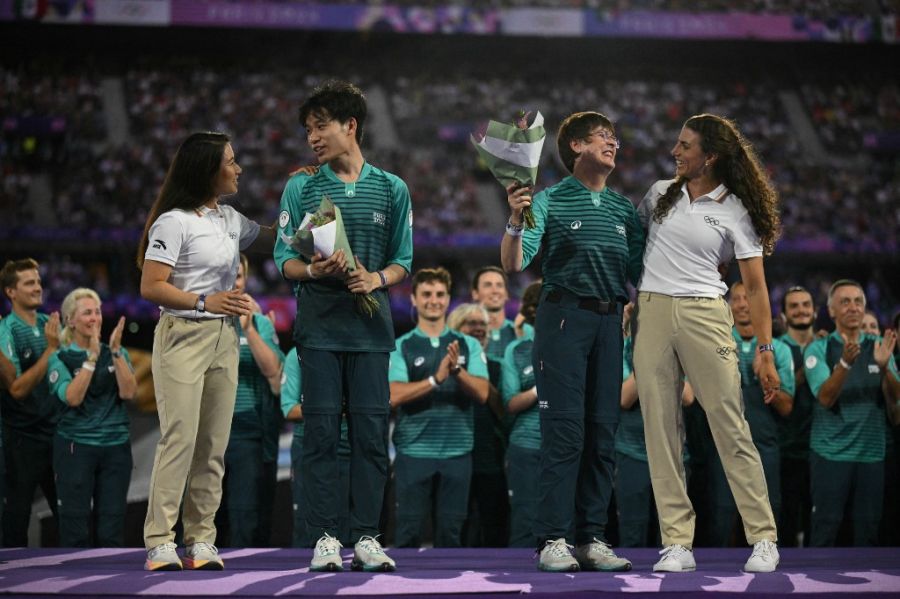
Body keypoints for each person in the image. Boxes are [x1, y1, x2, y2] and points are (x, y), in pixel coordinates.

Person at [632, 114, 782, 573]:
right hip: (652, 312)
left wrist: (765, 350)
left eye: (685, 146)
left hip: (705, 313)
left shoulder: (737, 209)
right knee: (661, 431)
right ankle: (677, 542)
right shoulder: (659, 194)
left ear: (710, 156)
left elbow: (755, 289)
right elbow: (631, 247)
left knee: (730, 426)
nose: (675, 152)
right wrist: (628, 297)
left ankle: (763, 538)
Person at [273, 80, 413, 572]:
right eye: (308, 129)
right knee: (322, 436)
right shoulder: (301, 186)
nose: (312, 137)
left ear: (350, 126)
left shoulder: (392, 188)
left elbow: (404, 261)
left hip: (372, 335)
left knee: (373, 437)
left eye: (320, 126)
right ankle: (327, 537)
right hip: (319, 331)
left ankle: (368, 537)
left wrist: (377, 277)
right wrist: (313, 270)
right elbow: (283, 259)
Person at [501, 111, 643, 572]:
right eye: (604, 137)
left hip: (609, 325)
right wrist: (514, 218)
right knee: (565, 433)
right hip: (563, 320)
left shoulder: (625, 210)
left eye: (615, 138)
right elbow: (514, 261)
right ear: (577, 146)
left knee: (603, 434)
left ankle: (591, 537)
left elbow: (644, 274)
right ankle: (553, 539)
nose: (613, 144)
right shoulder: (549, 200)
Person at [138, 131, 273, 570]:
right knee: (180, 438)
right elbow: (151, 285)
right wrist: (203, 301)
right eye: (231, 161)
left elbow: (275, 238)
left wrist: (304, 193)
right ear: (207, 169)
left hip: (224, 338)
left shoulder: (229, 219)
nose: (239, 169)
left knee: (213, 445)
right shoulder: (173, 222)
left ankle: (201, 540)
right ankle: (160, 539)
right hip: (182, 334)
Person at [389, 267, 490, 547]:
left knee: (452, 537)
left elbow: (482, 393)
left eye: (440, 294)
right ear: (413, 299)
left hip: (458, 453)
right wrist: (435, 379)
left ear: (448, 300)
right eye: (427, 294)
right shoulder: (401, 346)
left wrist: (458, 372)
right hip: (413, 453)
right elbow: (393, 395)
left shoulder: (469, 345)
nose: (434, 300)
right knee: (407, 535)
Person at [803, 279, 900, 546]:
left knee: (867, 533)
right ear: (831, 311)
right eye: (844, 302)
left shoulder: (881, 346)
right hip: (830, 453)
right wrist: (845, 362)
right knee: (825, 529)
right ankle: (813, 587)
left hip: (871, 455)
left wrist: (885, 369)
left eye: (858, 301)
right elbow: (825, 397)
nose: (853, 307)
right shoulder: (819, 348)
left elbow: (895, 397)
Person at [707, 282, 794, 547]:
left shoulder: (777, 349)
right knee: (721, 515)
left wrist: (764, 379)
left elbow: (787, 406)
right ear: (728, 305)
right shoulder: (714, 343)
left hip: (765, 445)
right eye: (737, 298)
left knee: (770, 512)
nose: (744, 304)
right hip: (724, 445)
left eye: (748, 298)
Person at [47, 288, 136, 547]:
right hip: (76, 448)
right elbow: (72, 397)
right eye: (87, 313)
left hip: (116, 448)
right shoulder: (59, 357)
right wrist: (92, 358)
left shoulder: (116, 352)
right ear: (70, 320)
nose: (95, 318)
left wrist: (116, 353)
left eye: (97, 312)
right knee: (75, 529)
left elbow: (128, 392)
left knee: (112, 527)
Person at [615, 308, 694, 548]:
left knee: (672, 535)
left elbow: (688, 396)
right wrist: (649, 357)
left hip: (672, 453)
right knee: (632, 531)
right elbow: (623, 398)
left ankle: (673, 583)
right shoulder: (622, 349)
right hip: (631, 453)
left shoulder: (679, 347)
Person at [221, 255, 284, 547]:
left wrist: (249, 330)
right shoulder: (197, 322)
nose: (233, 282)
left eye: (238, 276)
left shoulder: (259, 323)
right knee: (202, 514)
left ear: (245, 281)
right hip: (204, 429)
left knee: (244, 515)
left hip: (246, 428)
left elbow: (275, 375)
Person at [0, 258, 62, 547]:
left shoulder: (46, 324)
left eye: (38, 281)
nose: (37, 287)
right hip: (21, 440)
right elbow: (16, 389)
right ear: (11, 292)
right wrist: (51, 350)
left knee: (69, 516)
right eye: (29, 283)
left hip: (56, 434)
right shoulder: (7, 330)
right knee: (16, 520)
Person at [280, 346, 352, 547]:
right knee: (307, 523)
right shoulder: (296, 355)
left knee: (348, 523)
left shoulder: (358, 353)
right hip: (309, 446)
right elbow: (288, 408)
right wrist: (330, 408)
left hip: (350, 447)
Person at [499, 281, 543, 547]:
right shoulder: (516, 350)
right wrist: (540, 389)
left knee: (566, 517)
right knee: (525, 518)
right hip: (525, 446)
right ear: (533, 310)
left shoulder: (576, 345)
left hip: (565, 444)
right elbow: (511, 402)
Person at [776, 286, 817, 547]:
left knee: (819, 519)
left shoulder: (828, 345)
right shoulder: (775, 350)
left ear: (816, 311)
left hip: (821, 448)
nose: (801, 310)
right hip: (785, 446)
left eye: (806, 304)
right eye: (794, 306)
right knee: (787, 518)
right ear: (783, 315)